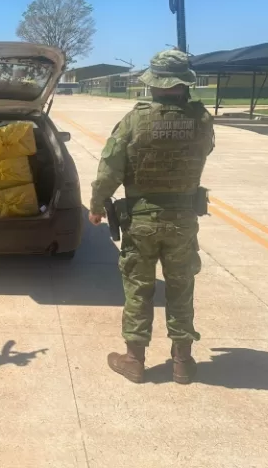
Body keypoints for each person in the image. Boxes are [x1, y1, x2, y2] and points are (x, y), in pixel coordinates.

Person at [88, 49, 214, 385]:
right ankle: (182, 362)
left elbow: (110, 169)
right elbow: (205, 150)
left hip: (141, 219)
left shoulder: (134, 120)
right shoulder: (202, 119)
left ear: (154, 83)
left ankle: (134, 360)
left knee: (138, 288)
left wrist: (97, 206)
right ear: (184, 82)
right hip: (183, 219)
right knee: (181, 287)